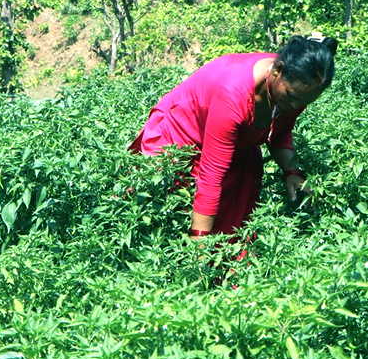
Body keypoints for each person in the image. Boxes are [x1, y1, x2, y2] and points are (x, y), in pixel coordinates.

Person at [130, 35, 338, 241]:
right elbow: (211, 175)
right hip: (181, 141)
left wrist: (291, 171)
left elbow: (280, 130)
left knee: (233, 238)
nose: (295, 106)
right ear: (277, 71)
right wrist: (198, 243)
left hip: (236, 147)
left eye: (304, 102)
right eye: (292, 96)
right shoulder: (233, 94)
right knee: (170, 226)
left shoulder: (296, 87)